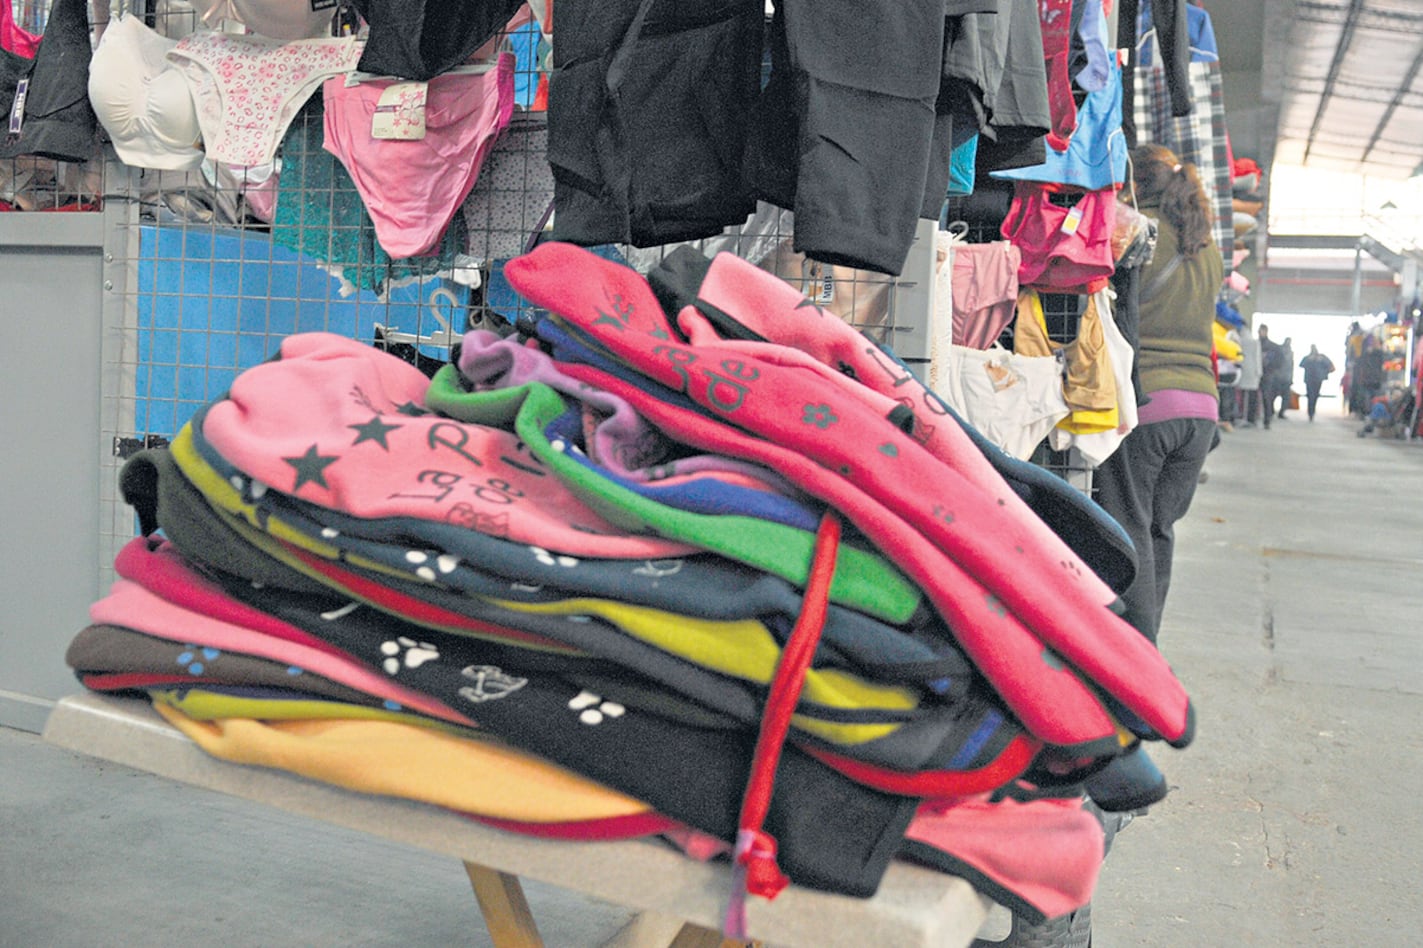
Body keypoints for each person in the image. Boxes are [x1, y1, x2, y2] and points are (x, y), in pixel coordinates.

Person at [1095, 144, 1224, 645]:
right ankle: (1147, 645)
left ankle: (1135, 653)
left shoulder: (1133, 231)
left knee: (1129, 527)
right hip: (1202, 409)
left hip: (1150, 401)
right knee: (1159, 530)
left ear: (1136, 182)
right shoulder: (1205, 246)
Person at [1257, 324, 1286, 428]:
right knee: (1254, 397)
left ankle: (1267, 419)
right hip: (1257, 374)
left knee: (1266, 397)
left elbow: (1280, 361)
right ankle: (1254, 418)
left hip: (1267, 374)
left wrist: (1272, 369)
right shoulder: (1256, 344)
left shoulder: (1274, 347)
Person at [1299, 344, 1335, 421]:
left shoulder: (1322, 358)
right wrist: (1309, 360)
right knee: (1311, 396)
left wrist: (1324, 372)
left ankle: (1311, 412)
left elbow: (1331, 367)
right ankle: (1311, 412)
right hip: (1310, 379)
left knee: (1314, 396)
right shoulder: (1308, 358)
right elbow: (1301, 364)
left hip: (1317, 379)